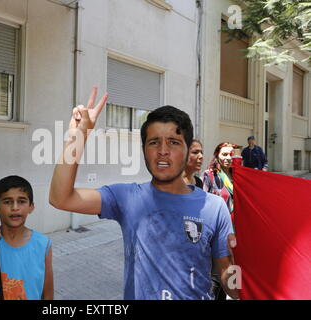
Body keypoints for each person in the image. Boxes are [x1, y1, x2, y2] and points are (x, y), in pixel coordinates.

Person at [49, 87, 238, 300]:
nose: (163, 150)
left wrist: (246, 273)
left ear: (187, 151)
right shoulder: (126, 197)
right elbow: (60, 197)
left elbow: (228, 278)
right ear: (144, 150)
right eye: (154, 142)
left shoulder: (214, 206)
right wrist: (77, 136)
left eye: (174, 142)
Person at [201, 142, 238, 300]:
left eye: (231, 154)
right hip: (216, 232)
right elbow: (202, 204)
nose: (228, 158)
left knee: (233, 272)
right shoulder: (209, 175)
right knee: (216, 276)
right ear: (217, 155)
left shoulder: (238, 176)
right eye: (224, 154)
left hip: (234, 232)